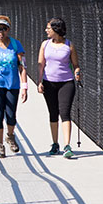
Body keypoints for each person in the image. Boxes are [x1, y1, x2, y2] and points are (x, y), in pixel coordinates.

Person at [0, 15, 28, 158]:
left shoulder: (16, 45)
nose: (1, 31)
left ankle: (10, 135)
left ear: (8, 29)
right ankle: (0, 145)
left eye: (4, 28)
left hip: (12, 84)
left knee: (11, 115)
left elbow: (22, 66)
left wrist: (24, 86)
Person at [37, 17, 80, 158]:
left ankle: (67, 146)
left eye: (48, 28)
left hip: (66, 82)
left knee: (65, 112)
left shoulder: (69, 45)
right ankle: (55, 144)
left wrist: (77, 72)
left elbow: (76, 65)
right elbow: (41, 65)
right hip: (49, 82)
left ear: (56, 29)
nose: (46, 30)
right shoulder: (45, 44)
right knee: (53, 113)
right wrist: (39, 82)